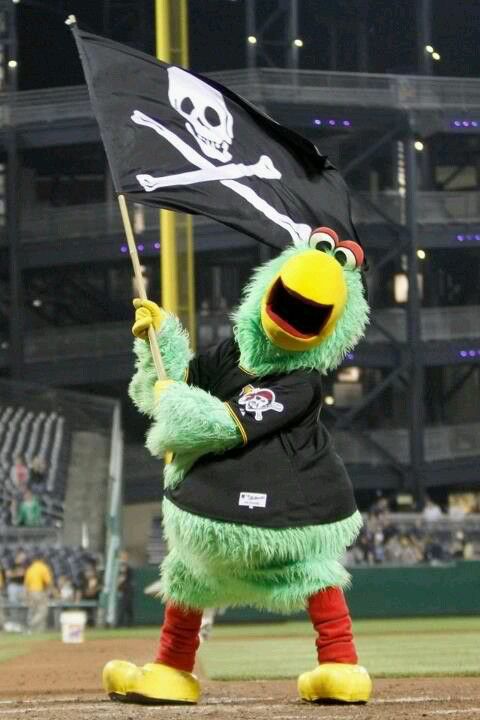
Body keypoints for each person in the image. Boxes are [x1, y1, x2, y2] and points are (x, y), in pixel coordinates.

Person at [24, 553, 53, 632]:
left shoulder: (30, 568)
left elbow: (26, 585)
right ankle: (31, 624)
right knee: (43, 611)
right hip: (39, 592)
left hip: (30, 592)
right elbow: (49, 582)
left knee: (34, 611)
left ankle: (38, 631)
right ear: (41, 559)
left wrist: (27, 596)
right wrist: (49, 592)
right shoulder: (43, 567)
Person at [5, 551, 27, 628]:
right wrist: (17, 573)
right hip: (13, 586)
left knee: (22, 605)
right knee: (13, 605)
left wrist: (18, 573)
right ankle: (14, 623)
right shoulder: (12, 564)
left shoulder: (24, 565)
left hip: (22, 586)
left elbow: (25, 574)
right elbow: (8, 574)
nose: (23, 558)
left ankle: (21, 624)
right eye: (22, 556)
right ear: (18, 556)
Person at [116, 552, 134, 627]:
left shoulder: (127, 567)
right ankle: (120, 623)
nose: (123, 559)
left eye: (124, 557)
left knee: (127, 607)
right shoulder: (119, 566)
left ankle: (128, 624)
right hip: (122, 589)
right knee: (124, 607)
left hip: (127, 589)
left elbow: (124, 578)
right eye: (122, 557)